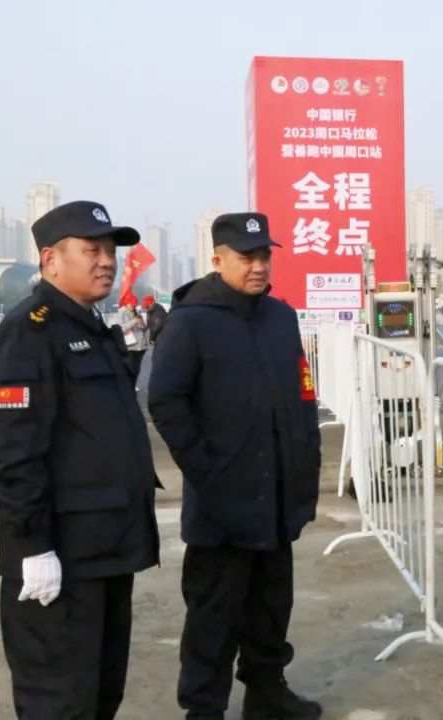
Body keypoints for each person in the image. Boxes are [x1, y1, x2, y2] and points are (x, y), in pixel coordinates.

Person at [0, 200, 160, 719]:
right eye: (91, 250)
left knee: (100, 693)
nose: (106, 261)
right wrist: (33, 546)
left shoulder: (92, 328)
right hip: (60, 555)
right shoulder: (29, 332)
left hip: (106, 550)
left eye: (110, 251)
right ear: (50, 259)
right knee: (58, 701)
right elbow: (11, 453)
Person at [148, 212, 322, 720]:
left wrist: (304, 461)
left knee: (271, 606)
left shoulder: (280, 317)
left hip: (276, 497)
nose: (258, 266)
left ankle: (267, 694)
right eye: (247, 257)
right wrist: (207, 471)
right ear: (217, 259)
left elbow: (301, 392)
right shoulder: (190, 321)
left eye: (265, 255)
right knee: (214, 616)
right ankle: (204, 709)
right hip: (222, 505)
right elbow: (166, 401)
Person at [119, 303, 149, 379]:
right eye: (131, 304)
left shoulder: (137, 313)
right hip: (130, 346)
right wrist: (134, 321)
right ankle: (131, 383)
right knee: (131, 369)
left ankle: (135, 382)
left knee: (138, 369)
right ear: (126, 304)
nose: (133, 305)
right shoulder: (122, 313)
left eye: (134, 304)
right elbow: (121, 329)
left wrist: (141, 324)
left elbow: (144, 328)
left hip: (141, 346)